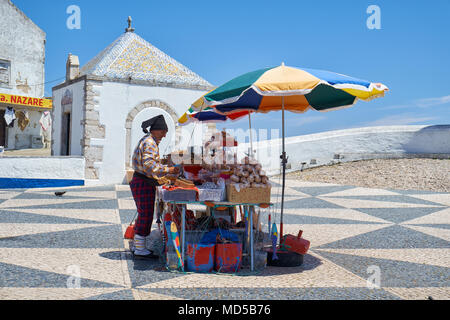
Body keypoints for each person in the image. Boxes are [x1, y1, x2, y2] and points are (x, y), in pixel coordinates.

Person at [130, 115, 179, 259]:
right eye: (164, 131)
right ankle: (140, 249)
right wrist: (168, 170)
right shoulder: (150, 143)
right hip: (143, 182)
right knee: (146, 214)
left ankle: (139, 245)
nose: (165, 135)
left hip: (141, 181)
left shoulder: (147, 140)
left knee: (143, 213)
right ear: (158, 130)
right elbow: (149, 165)